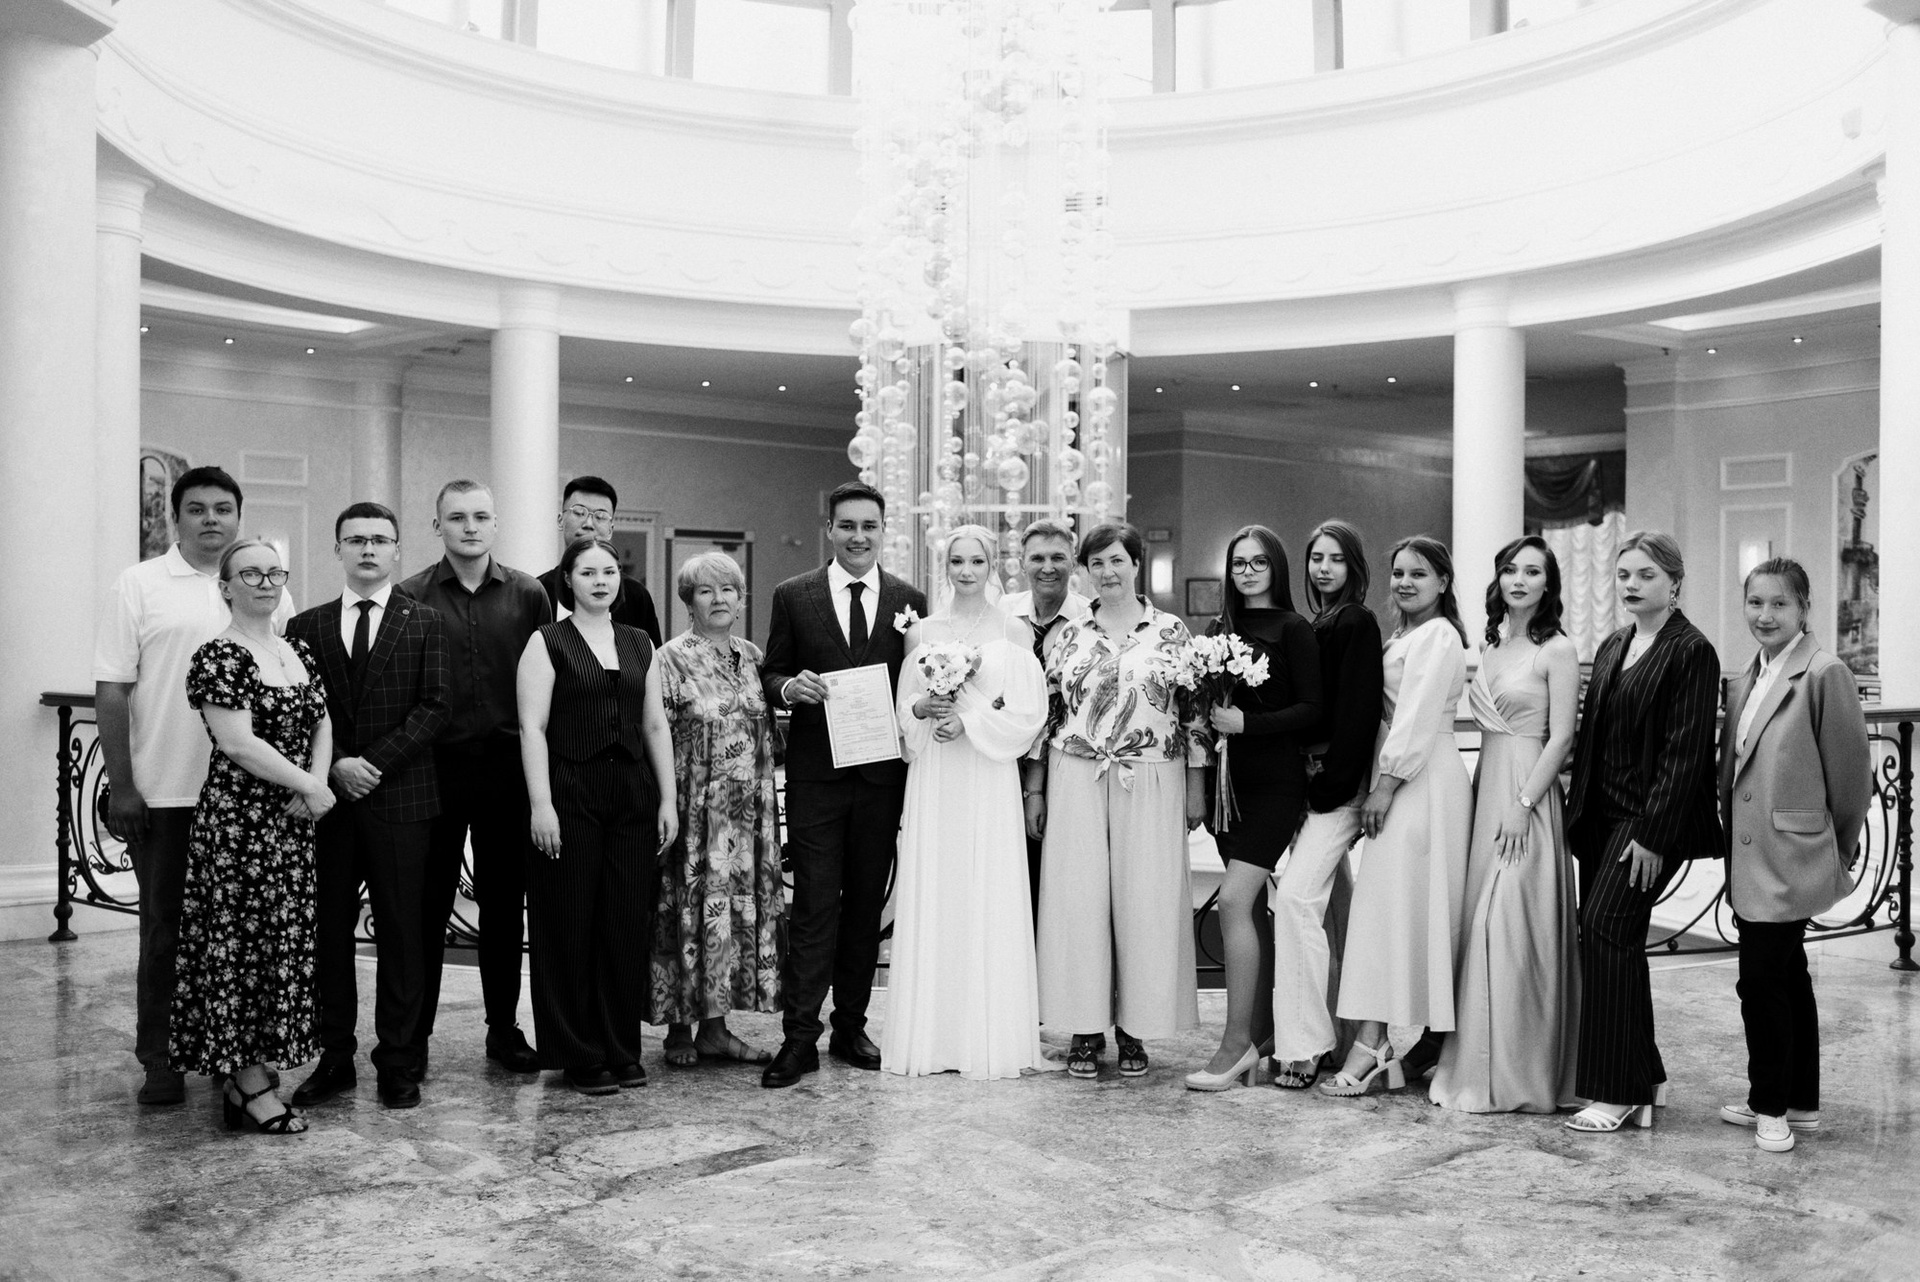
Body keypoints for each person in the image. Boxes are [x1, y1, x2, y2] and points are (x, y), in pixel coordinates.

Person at [93, 465, 292, 1107]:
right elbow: (112, 689)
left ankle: (232, 1059)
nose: (212, 519)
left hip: (247, 798)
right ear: (174, 517)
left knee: (240, 938)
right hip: (168, 792)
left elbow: (283, 686)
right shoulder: (140, 584)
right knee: (166, 933)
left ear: (238, 516)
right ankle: (160, 1058)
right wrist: (123, 786)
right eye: (198, 508)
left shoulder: (266, 587)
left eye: (223, 508)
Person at [758, 481, 928, 1088]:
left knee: (863, 906)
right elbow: (771, 670)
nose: (859, 537)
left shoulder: (911, 600)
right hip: (817, 778)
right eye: (847, 525)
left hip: (882, 777)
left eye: (869, 526)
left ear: (883, 531)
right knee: (812, 906)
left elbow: (918, 680)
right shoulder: (793, 594)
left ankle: (850, 1026)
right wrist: (788, 688)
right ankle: (799, 1037)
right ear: (829, 528)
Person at [1025, 521, 1208, 1080]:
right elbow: (1046, 716)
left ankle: (1135, 1026)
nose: (1107, 572)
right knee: (1077, 901)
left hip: (1152, 774)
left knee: (1145, 901)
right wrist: (1035, 789)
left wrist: (1196, 786)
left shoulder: (1171, 631)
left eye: (1117, 561)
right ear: (1086, 571)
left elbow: (1195, 715)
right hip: (1075, 773)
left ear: (1136, 564)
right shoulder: (1068, 636)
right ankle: (1084, 1027)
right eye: (1097, 563)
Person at [286, 503, 449, 1111]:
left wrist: (368, 765)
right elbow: (298, 713)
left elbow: (435, 707)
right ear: (338, 550)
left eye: (380, 539)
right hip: (328, 803)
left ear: (397, 549)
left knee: (402, 936)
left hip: (401, 798)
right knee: (328, 934)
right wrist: (335, 765)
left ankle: (398, 1062)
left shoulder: (426, 621)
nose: (368, 549)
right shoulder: (305, 626)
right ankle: (334, 1058)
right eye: (355, 540)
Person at [169, 540, 333, 1134]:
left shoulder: (296, 649)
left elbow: (323, 721)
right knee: (239, 949)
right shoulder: (218, 655)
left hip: (292, 822)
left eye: (274, 572)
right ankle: (246, 1084)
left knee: (277, 947)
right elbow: (238, 743)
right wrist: (307, 785)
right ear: (226, 587)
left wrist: (315, 785)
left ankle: (255, 1072)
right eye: (250, 574)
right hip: (240, 826)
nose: (265, 583)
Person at [1563, 530, 1723, 1134]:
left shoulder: (1692, 650)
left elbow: (1686, 752)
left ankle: (1616, 1092)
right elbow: (1592, 736)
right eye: (1624, 574)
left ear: (1674, 582)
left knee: (1606, 929)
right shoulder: (1614, 643)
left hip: (1645, 823)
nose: (1631, 585)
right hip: (1599, 822)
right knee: (1612, 941)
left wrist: (1653, 835)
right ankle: (1644, 1076)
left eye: (1646, 575)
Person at [399, 480, 553, 1076]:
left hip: (506, 770)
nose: (470, 526)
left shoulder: (529, 594)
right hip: (433, 769)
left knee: (504, 906)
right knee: (427, 906)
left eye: (480, 516)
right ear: (437, 525)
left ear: (495, 524)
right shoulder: (410, 595)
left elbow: (546, 682)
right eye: (457, 517)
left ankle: (503, 1030)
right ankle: (413, 1036)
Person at [884, 526, 1050, 1079]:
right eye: (957, 561)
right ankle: (932, 1037)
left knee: (986, 887)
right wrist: (924, 709)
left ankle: (988, 1036)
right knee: (939, 886)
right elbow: (903, 710)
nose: (966, 570)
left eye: (976, 561)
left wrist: (970, 721)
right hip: (936, 775)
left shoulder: (1013, 630)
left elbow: (1028, 716)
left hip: (986, 774)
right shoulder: (922, 631)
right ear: (946, 566)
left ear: (992, 565)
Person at [1717, 558, 1870, 1153]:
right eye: (1755, 602)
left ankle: (1771, 1106)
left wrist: (1835, 851)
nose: (1765, 615)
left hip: (1794, 857)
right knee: (1787, 974)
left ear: (1804, 608)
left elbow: (1850, 778)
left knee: (1759, 982)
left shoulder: (1825, 673)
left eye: (1779, 603)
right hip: (1751, 857)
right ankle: (1801, 1101)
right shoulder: (1746, 676)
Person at [517, 537, 679, 1094]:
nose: (601, 581)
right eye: (588, 572)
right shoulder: (546, 641)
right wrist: (541, 804)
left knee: (624, 922)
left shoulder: (639, 642)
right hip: (570, 791)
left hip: (632, 793)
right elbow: (532, 727)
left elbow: (654, 725)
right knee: (568, 922)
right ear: (568, 580)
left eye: (610, 571)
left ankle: (619, 1046)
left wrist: (667, 798)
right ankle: (576, 1052)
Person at [1430, 536, 1581, 1113]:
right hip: (1487, 786)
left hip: (1527, 794)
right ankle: (1477, 1064)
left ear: (1549, 585)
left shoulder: (1557, 650)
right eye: (1511, 570)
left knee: (1511, 927)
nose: (1520, 580)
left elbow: (1561, 738)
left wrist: (1523, 803)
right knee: (1481, 927)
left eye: (1533, 572)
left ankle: (1523, 1073)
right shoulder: (1490, 647)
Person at [1322, 535, 1472, 1098]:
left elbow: (1415, 716)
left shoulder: (1439, 635)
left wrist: (1384, 786)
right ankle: (1386, 1039)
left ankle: (1374, 1043)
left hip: (1421, 780)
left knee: (1394, 908)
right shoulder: (1404, 636)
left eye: (1419, 573)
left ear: (1443, 582)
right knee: (1391, 910)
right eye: (1399, 573)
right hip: (1403, 777)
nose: (1405, 582)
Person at [1186, 526, 1321, 1092]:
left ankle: (1234, 1044)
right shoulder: (1219, 632)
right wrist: (1198, 779)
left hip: (1275, 787)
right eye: (1239, 563)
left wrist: (1249, 723)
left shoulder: (1294, 629)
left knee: (1233, 902)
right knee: (1255, 910)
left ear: (1276, 568)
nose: (1247, 572)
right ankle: (1263, 1033)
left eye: (1258, 562)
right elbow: (1199, 714)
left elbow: (1313, 709)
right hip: (1227, 789)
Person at [652, 551, 783, 1068]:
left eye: (728, 589)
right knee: (690, 909)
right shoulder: (669, 658)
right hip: (697, 812)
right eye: (706, 590)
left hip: (749, 816)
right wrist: (667, 802)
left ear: (741, 598)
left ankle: (715, 1029)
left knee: (729, 916)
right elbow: (656, 734)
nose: (719, 598)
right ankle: (679, 1031)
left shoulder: (752, 656)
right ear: (689, 601)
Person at [1269, 520, 1379, 1091]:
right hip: (1311, 783)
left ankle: (1306, 1044)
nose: (1324, 568)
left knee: (1294, 900)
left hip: (1337, 786)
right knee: (1337, 914)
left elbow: (1358, 713)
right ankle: (1350, 1033)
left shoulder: (1355, 620)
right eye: (1316, 558)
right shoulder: (1320, 621)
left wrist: (1328, 788)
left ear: (1353, 566)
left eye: (1336, 559)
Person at [1002, 518, 1092, 922]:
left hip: (1066, 766)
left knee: (1062, 880)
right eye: (1037, 558)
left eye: (1058, 557)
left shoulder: (1091, 619)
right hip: (1003, 764)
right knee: (1009, 878)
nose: (1048, 567)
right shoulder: (1000, 615)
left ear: (1074, 562)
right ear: (1021, 562)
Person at [535, 475, 663, 645]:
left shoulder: (635, 596)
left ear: (610, 529)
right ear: (560, 520)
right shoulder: (538, 591)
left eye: (600, 516)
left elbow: (651, 655)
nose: (588, 523)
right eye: (579, 513)